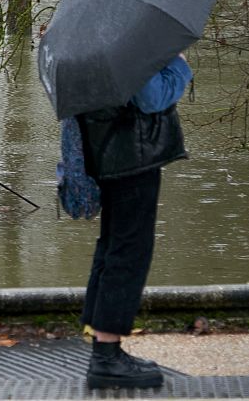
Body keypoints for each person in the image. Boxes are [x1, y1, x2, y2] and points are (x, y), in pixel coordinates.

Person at [75, 53, 191, 390]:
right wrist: (180, 65)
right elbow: (152, 98)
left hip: (105, 151)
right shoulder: (126, 42)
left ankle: (102, 347)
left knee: (112, 245)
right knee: (129, 250)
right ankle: (107, 356)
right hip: (132, 154)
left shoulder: (91, 40)